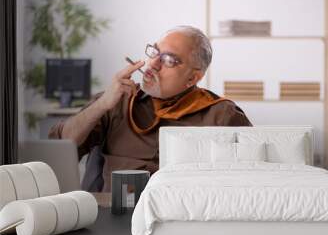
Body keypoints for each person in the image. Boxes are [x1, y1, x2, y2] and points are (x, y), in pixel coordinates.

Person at [49, 25, 252, 192]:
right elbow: (59, 148)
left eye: (168, 60)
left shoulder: (221, 115)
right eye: (155, 52)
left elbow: (252, 178)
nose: (152, 64)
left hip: (181, 223)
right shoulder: (116, 100)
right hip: (113, 215)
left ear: (193, 78)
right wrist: (102, 105)